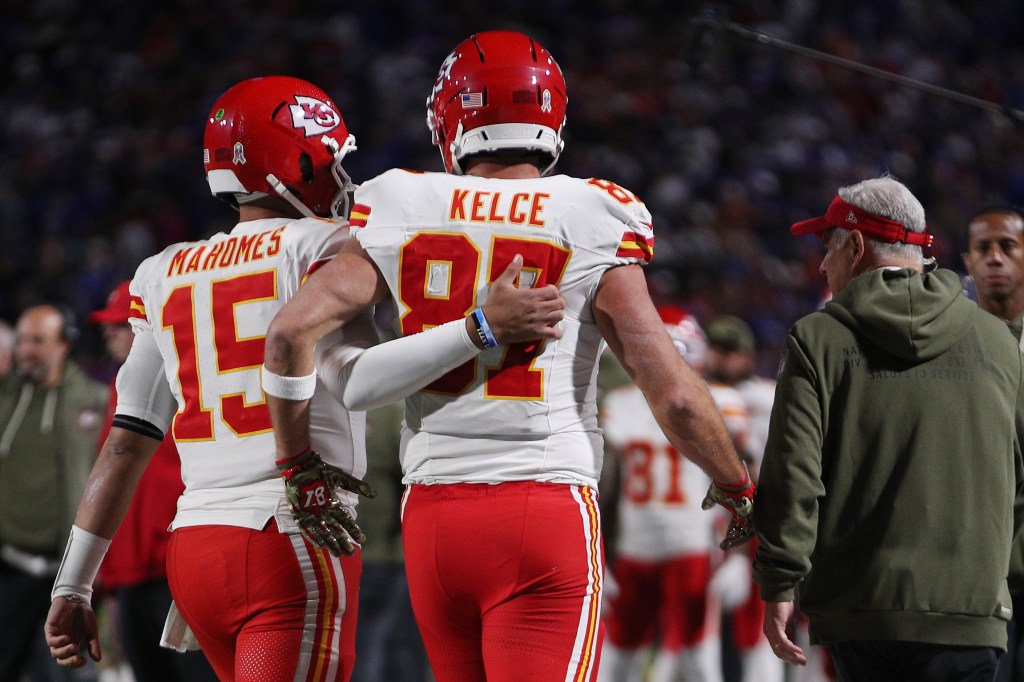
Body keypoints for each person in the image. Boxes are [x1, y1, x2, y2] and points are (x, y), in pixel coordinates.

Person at [263, 30, 755, 682]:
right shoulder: (592, 212)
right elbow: (676, 395)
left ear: (451, 119)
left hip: (434, 520)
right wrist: (736, 486)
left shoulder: (401, 202)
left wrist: (296, 461)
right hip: (543, 509)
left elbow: (292, 333)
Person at [43, 74, 560, 682]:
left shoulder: (163, 270)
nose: (341, 176)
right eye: (332, 160)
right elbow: (366, 372)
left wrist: (73, 583)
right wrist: (480, 327)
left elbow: (124, 443)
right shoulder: (326, 245)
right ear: (298, 163)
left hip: (195, 545)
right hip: (289, 535)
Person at [754, 176, 1024, 682]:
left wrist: (780, 581)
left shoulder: (817, 337)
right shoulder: (999, 340)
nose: (822, 264)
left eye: (828, 246)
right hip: (972, 612)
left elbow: (795, 474)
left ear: (856, 246)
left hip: (861, 613)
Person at [598, 306, 749, 682]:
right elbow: (604, 486)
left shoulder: (718, 400)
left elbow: (742, 480)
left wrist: (740, 555)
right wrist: (597, 554)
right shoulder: (620, 404)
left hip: (689, 545)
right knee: (620, 658)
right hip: (639, 546)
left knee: (697, 659)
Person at [86, 280, 218, 682]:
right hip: (131, 574)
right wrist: (107, 570)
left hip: (176, 571)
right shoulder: (121, 386)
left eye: (121, 325)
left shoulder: (189, 381)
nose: (109, 335)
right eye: (108, 326)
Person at [0, 303, 107, 682]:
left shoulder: (93, 400)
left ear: (64, 344)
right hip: (10, 567)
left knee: (68, 672)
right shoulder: (7, 395)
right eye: (22, 340)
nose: (26, 350)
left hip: (66, 573)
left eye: (37, 341)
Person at [961, 205, 1024, 682]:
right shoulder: (948, 347)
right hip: (974, 577)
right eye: (984, 248)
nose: (995, 257)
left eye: (1008, 246)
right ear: (968, 261)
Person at [704, 315, 785, 682]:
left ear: (749, 356)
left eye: (731, 350)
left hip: (759, 518)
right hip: (706, 521)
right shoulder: (700, 392)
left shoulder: (769, 395)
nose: (723, 358)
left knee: (758, 625)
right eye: (717, 349)